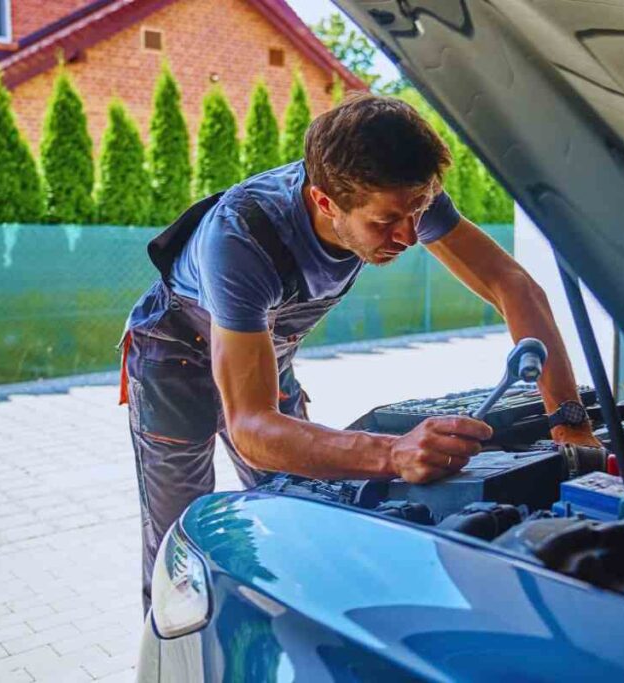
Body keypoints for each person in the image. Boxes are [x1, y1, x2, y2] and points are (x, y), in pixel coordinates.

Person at [120, 93, 598, 611]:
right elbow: (252, 427)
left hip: (263, 351)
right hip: (175, 356)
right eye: (386, 222)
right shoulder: (241, 238)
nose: (411, 235)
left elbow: (512, 284)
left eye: (418, 211)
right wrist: (393, 454)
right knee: (182, 548)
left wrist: (569, 422)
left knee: (306, 512)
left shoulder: (402, 194)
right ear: (325, 202)